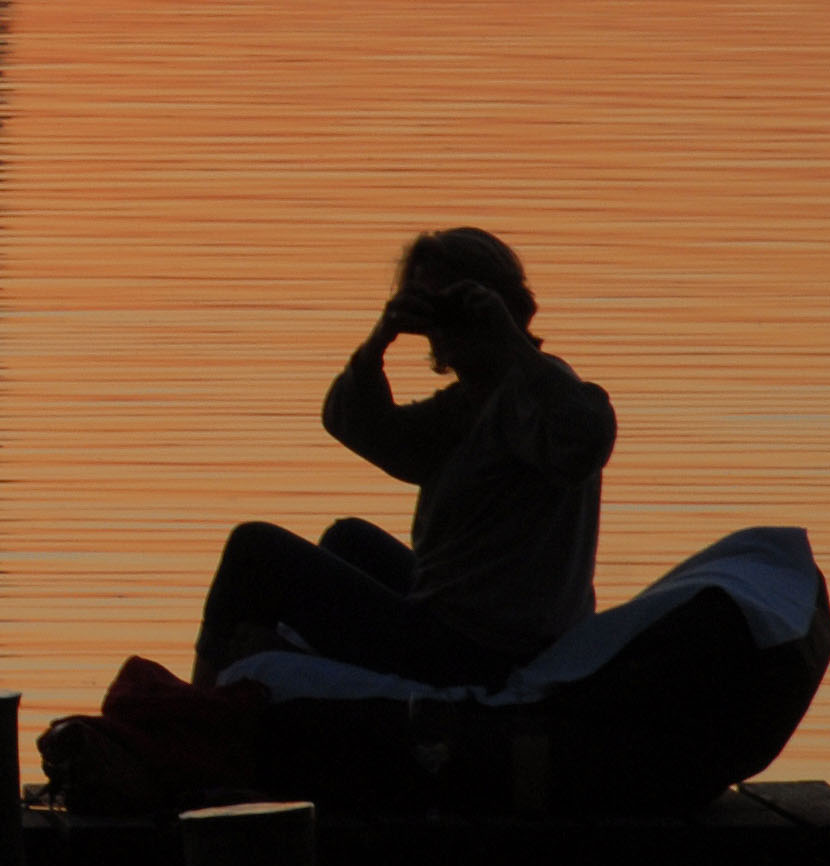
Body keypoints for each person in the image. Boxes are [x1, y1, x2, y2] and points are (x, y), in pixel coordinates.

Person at [196, 227, 617, 690]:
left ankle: (198, 704)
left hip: (485, 651)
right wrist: (379, 342)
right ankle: (265, 666)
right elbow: (363, 429)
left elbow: (584, 442)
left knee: (254, 550)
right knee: (347, 540)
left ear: (505, 307)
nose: (441, 328)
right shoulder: (472, 401)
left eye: (455, 307)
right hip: (460, 627)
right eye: (430, 310)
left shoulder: (536, 391)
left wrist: (510, 340)